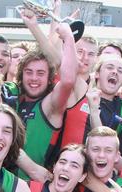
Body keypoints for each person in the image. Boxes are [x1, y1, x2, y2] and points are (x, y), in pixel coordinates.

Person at [15, 23, 77, 179]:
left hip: (36, 190)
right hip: (3, 187)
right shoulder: (12, 99)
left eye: (40, 73)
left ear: (49, 78)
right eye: (29, 72)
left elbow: (68, 81)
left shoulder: (50, 106)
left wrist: (69, 38)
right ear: (21, 75)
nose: (34, 78)